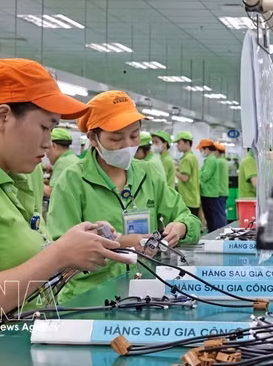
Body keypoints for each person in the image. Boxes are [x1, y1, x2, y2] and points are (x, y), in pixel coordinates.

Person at [0, 59, 131, 361]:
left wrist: (71, 254)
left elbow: (21, 280)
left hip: (18, 349)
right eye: (45, 127)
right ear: (3, 116)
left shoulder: (11, 180)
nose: (48, 143)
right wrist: (56, 255)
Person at [47, 90, 200, 302]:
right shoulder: (73, 181)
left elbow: (190, 219)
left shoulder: (148, 174)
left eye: (134, 136)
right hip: (90, 297)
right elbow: (61, 253)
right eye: (116, 139)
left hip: (144, 291)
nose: (128, 145)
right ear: (93, 138)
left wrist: (181, 227)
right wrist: (124, 243)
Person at [44, 127, 79, 196]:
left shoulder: (62, 162)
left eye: (46, 148)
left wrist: (36, 181)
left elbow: (52, 192)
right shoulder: (72, 158)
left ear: (54, 146)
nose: (46, 154)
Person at [197, 139, 224, 231]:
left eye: (201, 150)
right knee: (211, 217)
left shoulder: (211, 161)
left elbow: (205, 176)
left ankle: (213, 234)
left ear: (207, 149)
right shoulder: (210, 160)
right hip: (209, 192)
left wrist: (198, 171)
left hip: (209, 193)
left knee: (211, 218)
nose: (201, 152)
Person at [175, 132, 201, 216]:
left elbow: (185, 178)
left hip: (188, 198)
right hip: (193, 197)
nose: (177, 145)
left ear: (187, 143)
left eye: (179, 143)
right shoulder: (192, 156)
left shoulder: (186, 158)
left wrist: (173, 171)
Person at [215, 142, 230, 226]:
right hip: (224, 190)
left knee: (219, 215)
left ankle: (222, 230)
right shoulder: (223, 161)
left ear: (217, 151)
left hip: (219, 191)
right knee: (222, 213)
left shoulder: (217, 162)